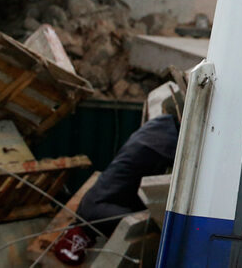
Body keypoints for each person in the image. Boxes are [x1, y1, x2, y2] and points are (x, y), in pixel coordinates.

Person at [52, 113, 179, 264]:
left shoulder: (95, 216)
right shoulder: (85, 210)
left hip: (155, 147)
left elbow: (139, 221)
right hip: (150, 136)